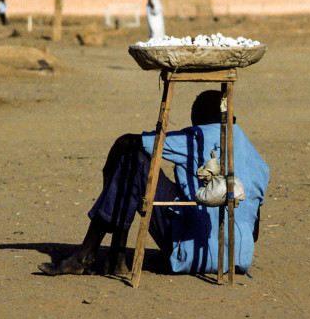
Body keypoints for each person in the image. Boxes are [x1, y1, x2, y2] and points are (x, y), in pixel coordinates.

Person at [38, 90, 269, 277]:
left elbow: (126, 141)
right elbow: (254, 230)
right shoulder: (259, 162)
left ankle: (89, 254)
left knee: (133, 159)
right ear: (233, 119)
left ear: (195, 122)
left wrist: (108, 176)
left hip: (191, 255)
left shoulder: (195, 138)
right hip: (237, 257)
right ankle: (113, 256)